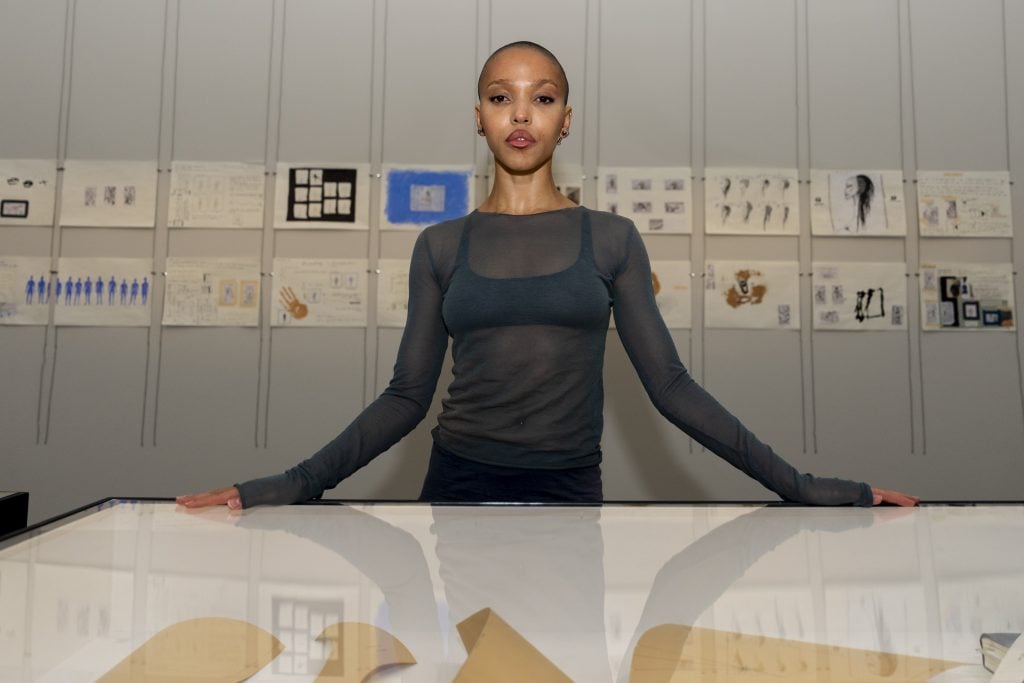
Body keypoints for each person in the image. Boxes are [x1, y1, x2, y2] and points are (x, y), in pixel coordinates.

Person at [178, 41, 918, 511]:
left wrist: (805, 485)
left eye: (543, 96)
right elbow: (406, 397)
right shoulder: (440, 245)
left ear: (567, 119)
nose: (521, 113)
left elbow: (672, 387)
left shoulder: (612, 238)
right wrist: (288, 482)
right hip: (456, 487)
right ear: (479, 117)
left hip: (570, 491)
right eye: (502, 97)